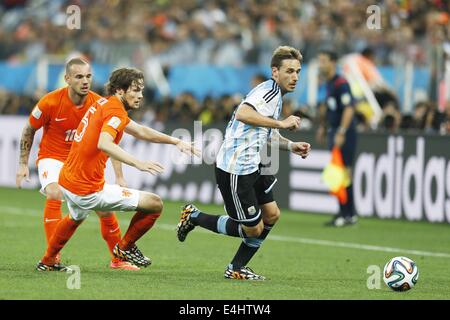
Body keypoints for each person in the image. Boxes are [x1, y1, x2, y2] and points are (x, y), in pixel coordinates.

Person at [35, 67, 200, 271]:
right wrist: (137, 163)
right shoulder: (115, 111)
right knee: (155, 204)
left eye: (141, 90)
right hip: (87, 188)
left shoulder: (104, 103)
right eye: (135, 90)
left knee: (76, 217)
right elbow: (105, 143)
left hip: (69, 180)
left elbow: (139, 130)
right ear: (120, 91)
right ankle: (124, 249)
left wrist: (175, 141)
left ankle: (48, 260)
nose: (140, 96)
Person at [176, 46, 311, 280]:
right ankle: (194, 217)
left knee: (272, 214)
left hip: (253, 165)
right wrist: (281, 124)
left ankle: (236, 268)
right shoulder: (267, 93)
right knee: (253, 228)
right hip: (235, 170)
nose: (295, 77)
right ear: (275, 71)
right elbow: (243, 114)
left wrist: (290, 145)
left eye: (298, 71)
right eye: (289, 71)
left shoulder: (275, 95)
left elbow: (264, 131)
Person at [16, 58, 138, 270]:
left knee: (104, 208)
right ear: (67, 79)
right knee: (55, 192)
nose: (85, 81)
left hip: (80, 162)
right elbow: (29, 129)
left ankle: (118, 259)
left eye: (88, 76)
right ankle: (52, 258)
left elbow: (111, 141)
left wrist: (119, 176)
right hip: (52, 157)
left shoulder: (100, 104)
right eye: (79, 76)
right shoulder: (49, 102)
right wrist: (22, 164)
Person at [316, 50, 358, 227]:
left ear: (333, 62)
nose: (321, 65)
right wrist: (324, 127)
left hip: (345, 133)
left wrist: (341, 131)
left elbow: (349, 108)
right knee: (340, 172)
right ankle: (348, 213)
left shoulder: (341, 83)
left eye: (324, 60)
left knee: (343, 172)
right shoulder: (330, 83)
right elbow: (329, 108)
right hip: (334, 131)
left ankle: (346, 213)